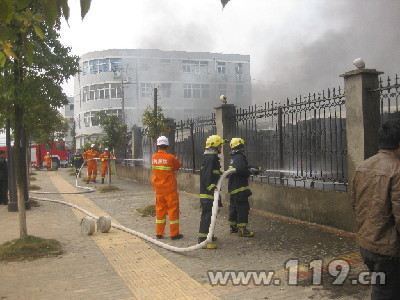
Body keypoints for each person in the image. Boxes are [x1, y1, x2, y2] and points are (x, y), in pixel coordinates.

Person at [351, 119, 400, 299]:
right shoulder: (397, 170)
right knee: (386, 293)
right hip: (388, 251)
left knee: (382, 288)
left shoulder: (362, 166)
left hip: (366, 244)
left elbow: (355, 204)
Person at [151, 136, 183, 240]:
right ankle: (174, 234)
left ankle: (159, 233)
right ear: (167, 146)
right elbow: (178, 166)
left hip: (158, 190)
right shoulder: (171, 158)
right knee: (173, 211)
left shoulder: (153, 157)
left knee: (160, 211)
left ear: (158, 145)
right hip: (170, 190)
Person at [198, 135, 226, 249]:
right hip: (208, 194)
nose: (221, 148)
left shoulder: (211, 157)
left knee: (211, 214)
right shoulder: (211, 158)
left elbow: (212, 173)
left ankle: (208, 235)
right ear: (215, 146)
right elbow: (206, 175)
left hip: (210, 193)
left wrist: (222, 173)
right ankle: (203, 240)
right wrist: (212, 186)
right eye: (220, 145)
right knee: (207, 215)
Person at [228, 138, 259, 237]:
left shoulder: (233, 158)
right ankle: (242, 229)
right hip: (240, 188)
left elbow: (239, 168)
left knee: (234, 208)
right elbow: (242, 170)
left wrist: (253, 168)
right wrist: (250, 171)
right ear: (240, 146)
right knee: (242, 208)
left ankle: (233, 227)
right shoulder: (240, 157)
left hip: (233, 188)